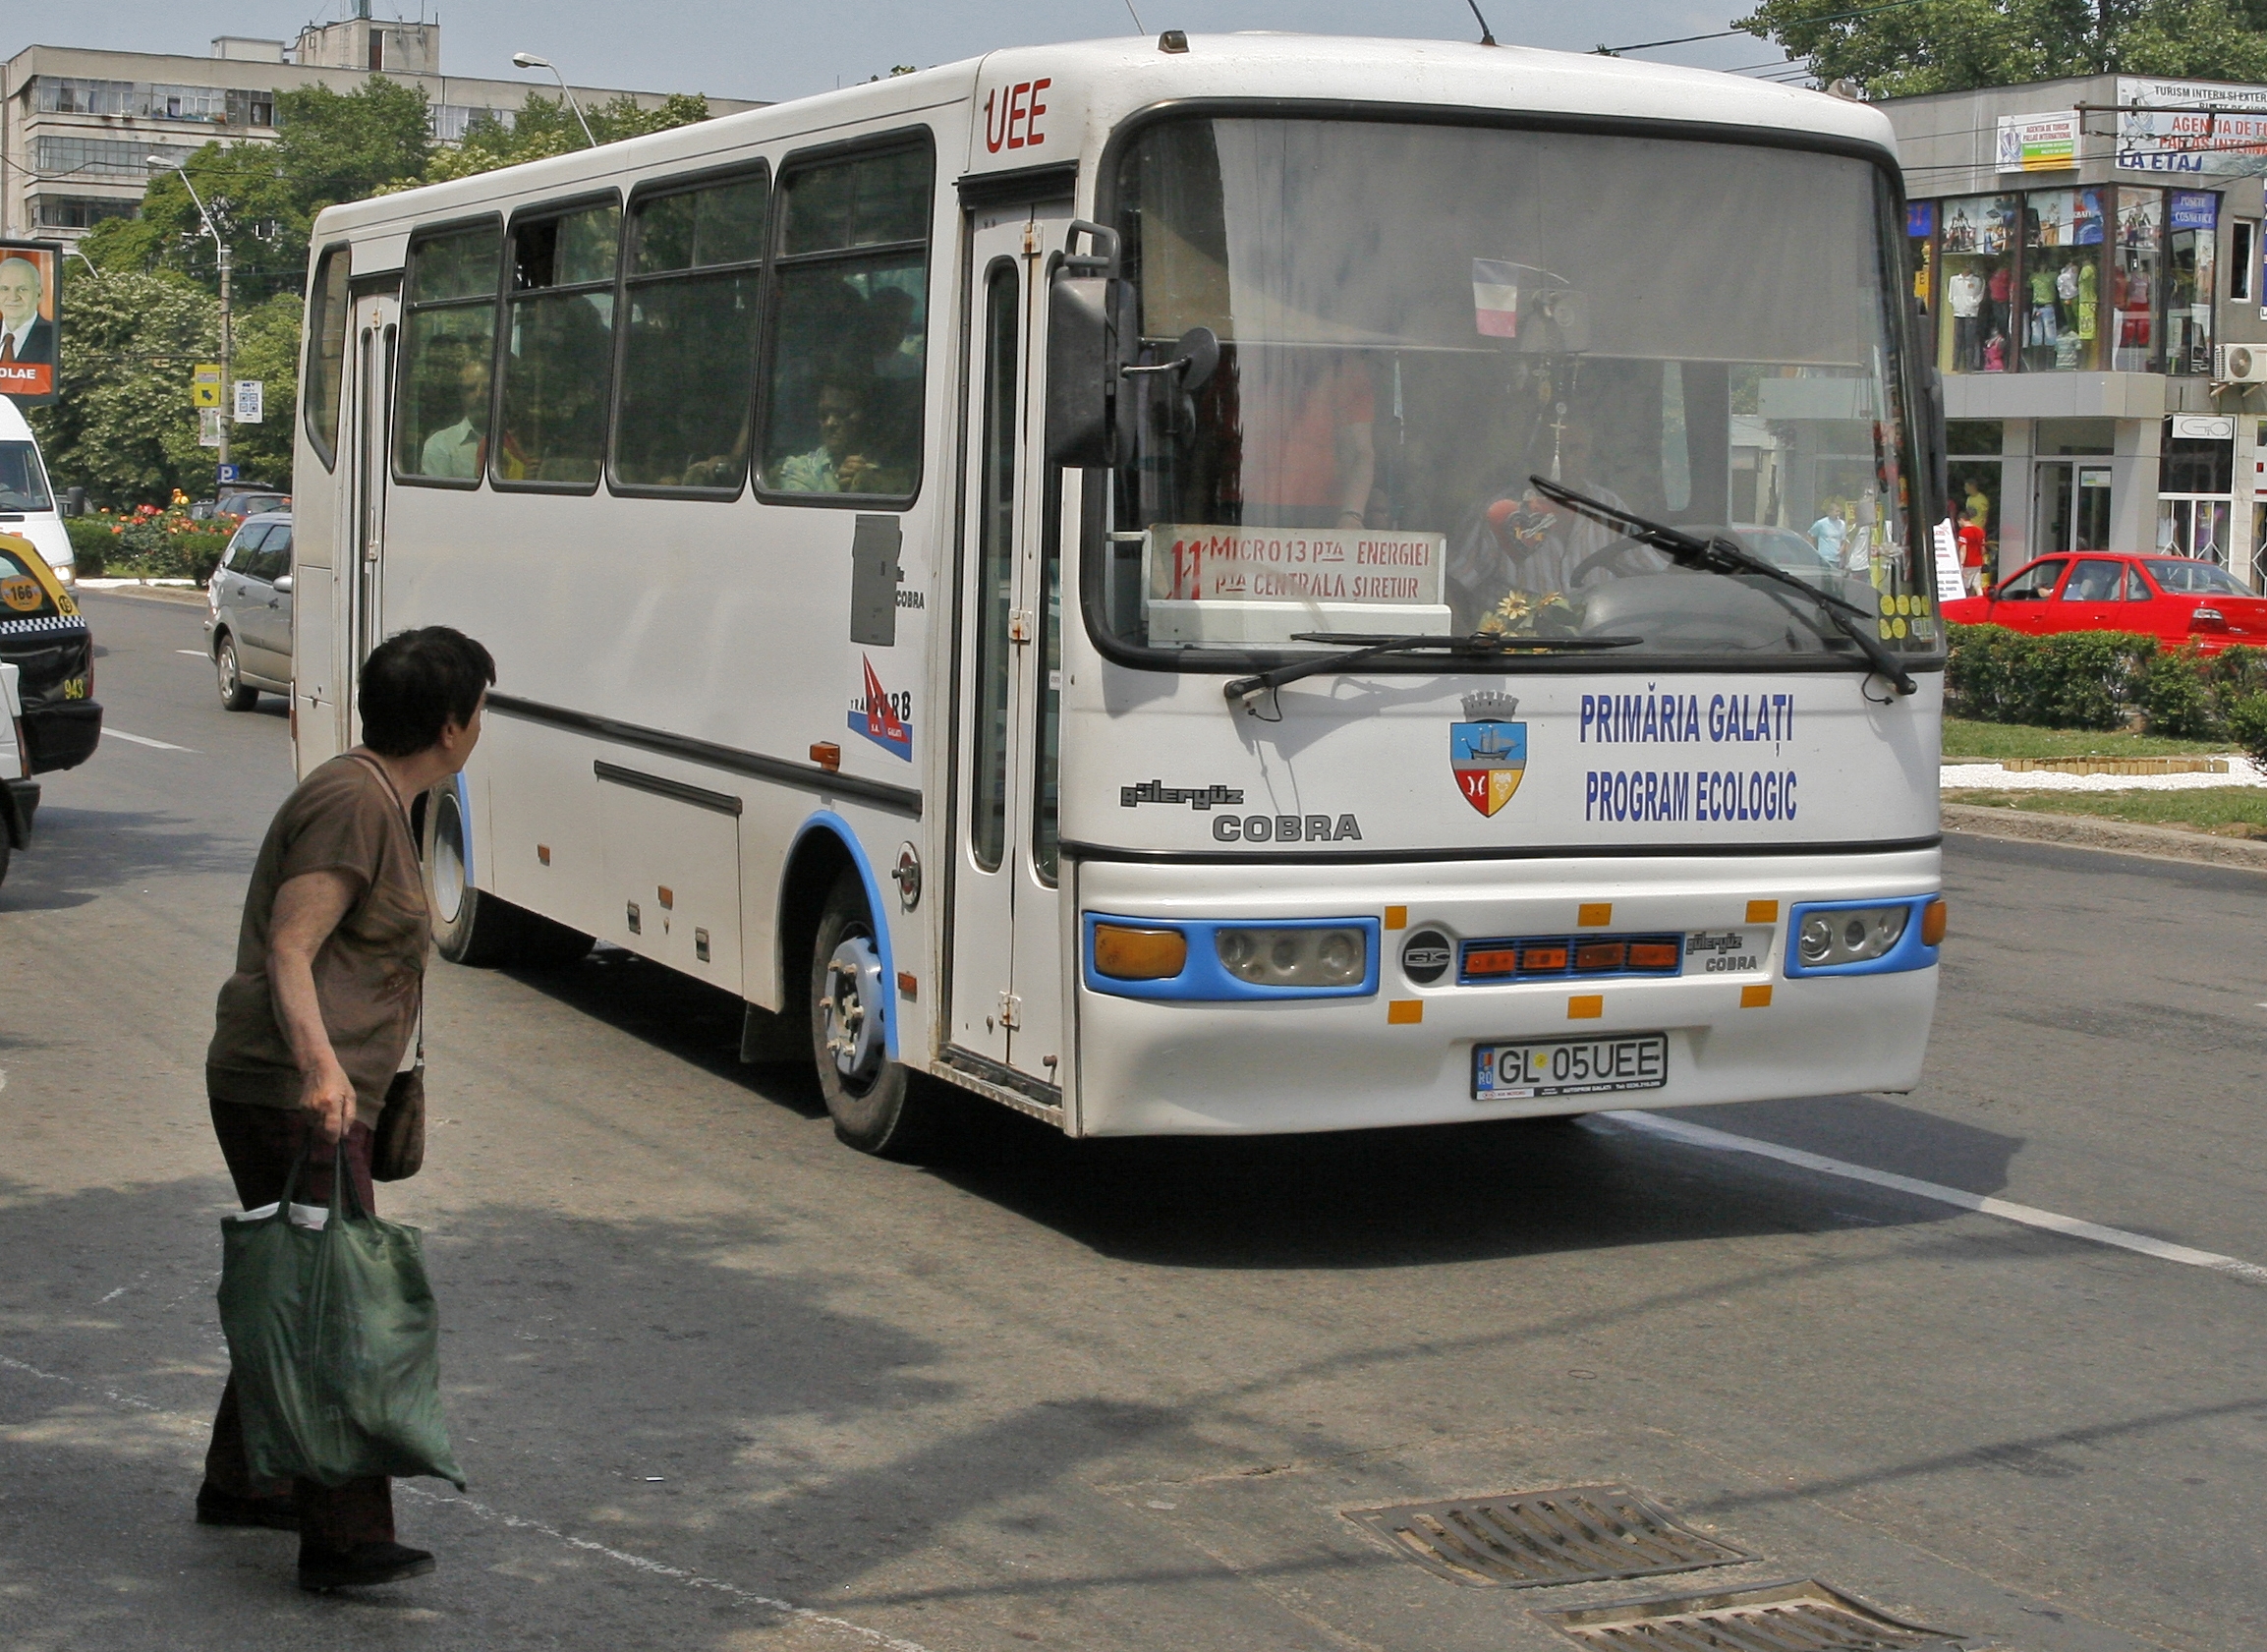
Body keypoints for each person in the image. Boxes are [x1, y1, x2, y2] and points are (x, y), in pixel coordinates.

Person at [198, 626, 493, 1592]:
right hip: (291, 1090)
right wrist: (325, 1073)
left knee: (305, 1270)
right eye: (480, 709)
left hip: (292, 1085)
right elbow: (292, 946)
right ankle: (344, 1537)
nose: (481, 725)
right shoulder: (353, 803)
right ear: (453, 725)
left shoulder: (378, 795)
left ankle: (243, 1478)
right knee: (341, 1309)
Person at [773, 379, 902, 493]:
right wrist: (842, 492)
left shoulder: (894, 466)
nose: (830, 423)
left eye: (841, 413)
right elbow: (800, 517)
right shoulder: (801, 469)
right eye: (823, 414)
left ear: (866, 416)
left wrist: (873, 481)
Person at [418, 358, 488, 480]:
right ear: (461, 394)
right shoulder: (440, 444)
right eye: (470, 388)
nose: (479, 395)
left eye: (487, 387)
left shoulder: (514, 441)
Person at [0, 256, 54, 366]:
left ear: (39, 294)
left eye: (22, 289)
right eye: (4, 289)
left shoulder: (55, 336)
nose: (13, 297)